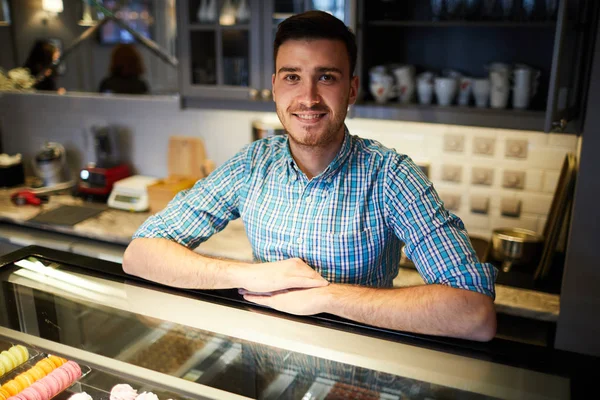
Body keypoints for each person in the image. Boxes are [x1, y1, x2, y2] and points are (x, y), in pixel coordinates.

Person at [124, 11, 497, 342]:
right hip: (266, 367)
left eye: (326, 77)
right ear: (274, 86)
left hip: (360, 376)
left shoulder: (391, 176)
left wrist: (328, 295)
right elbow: (140, 255)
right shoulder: (252, 164)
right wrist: (250, 276)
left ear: (351, 89)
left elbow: (473, 313)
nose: (308, 97)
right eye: (292, 77)